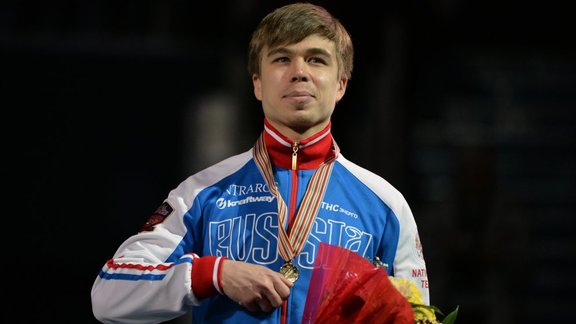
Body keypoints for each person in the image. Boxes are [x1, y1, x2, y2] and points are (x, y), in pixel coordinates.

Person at [91, 2, 430, 323]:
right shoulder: (202, 194)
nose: (299, 72)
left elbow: (418, 316)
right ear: (257, 83)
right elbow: (109, 294)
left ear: (341, 84)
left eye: (316, 59)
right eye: (282, 59)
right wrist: (213, 274)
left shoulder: (385, 205)